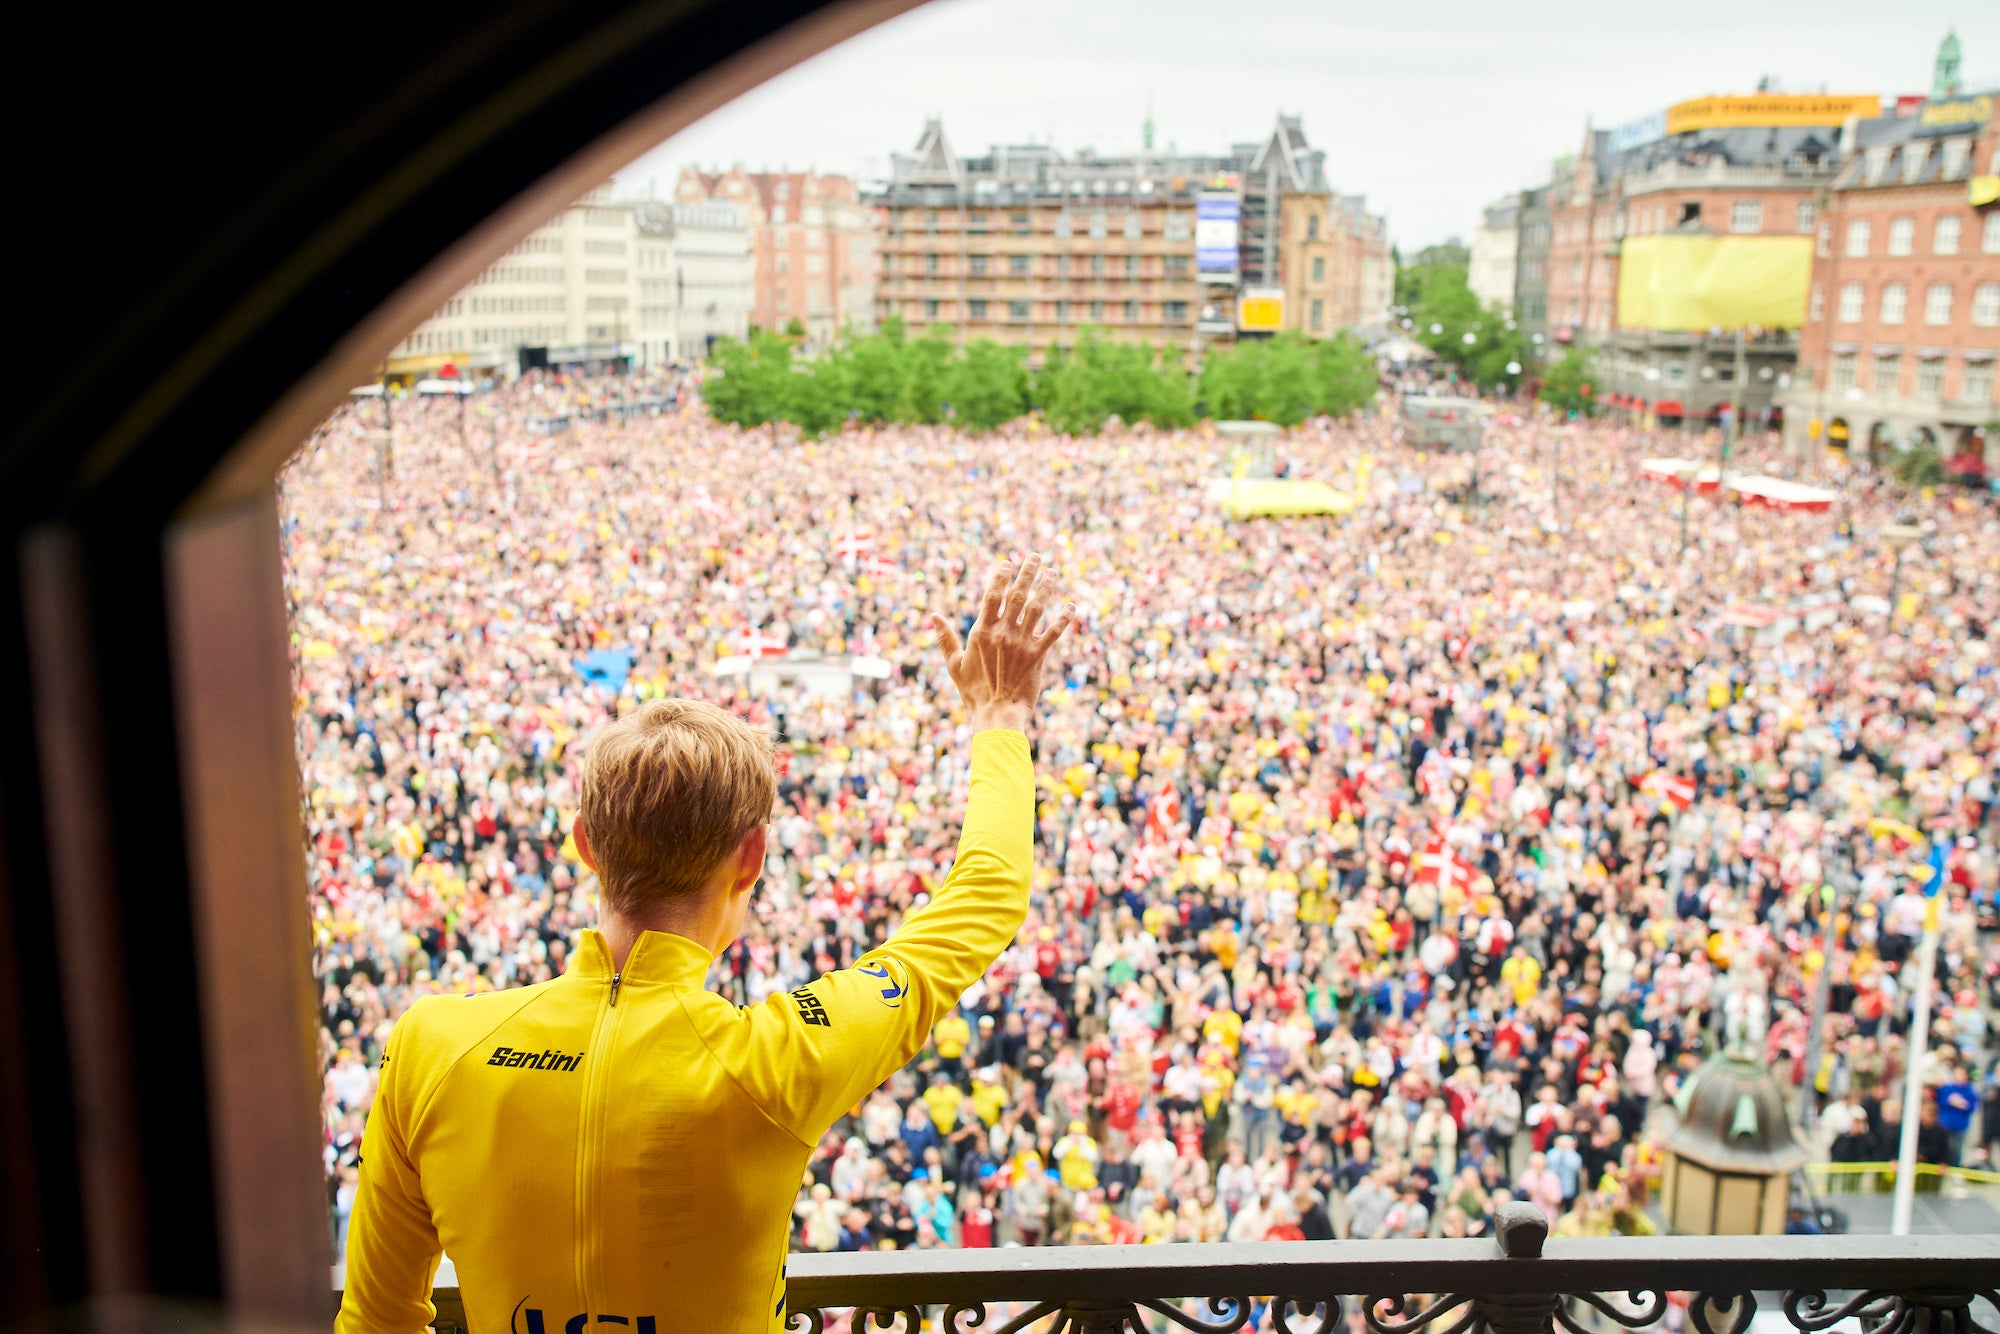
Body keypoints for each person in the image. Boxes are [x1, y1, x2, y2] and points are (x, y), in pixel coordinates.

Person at [336, 554, 1076, 1334]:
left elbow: (375, 1320)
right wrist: (998, 716)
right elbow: (986, 894)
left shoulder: (429, 1046)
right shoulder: (778, 1061)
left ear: (585, 845)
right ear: (750, 857)